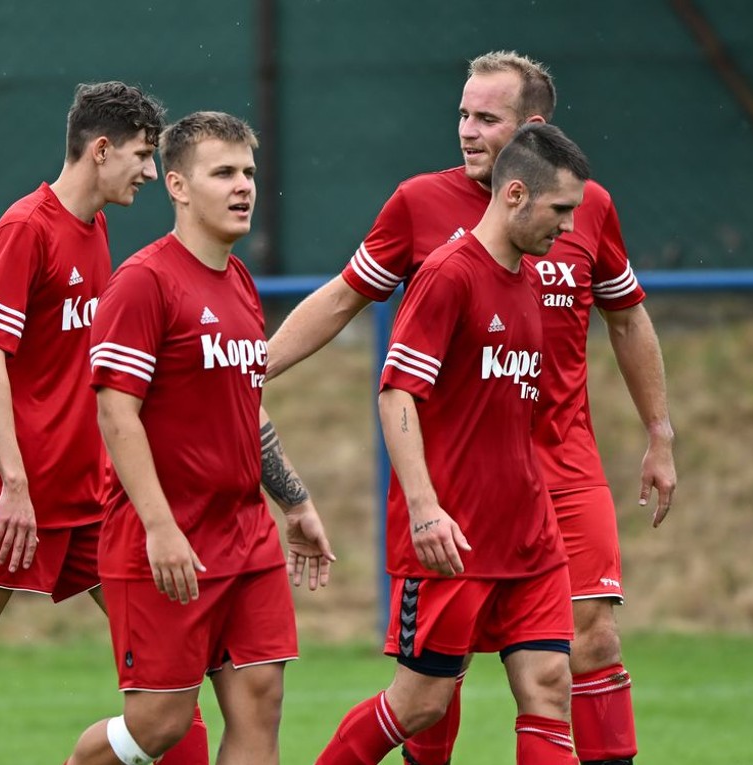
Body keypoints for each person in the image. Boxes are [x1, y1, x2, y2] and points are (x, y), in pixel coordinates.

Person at [269, 51, 676, 765]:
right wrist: (254, 369)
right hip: (455, 479)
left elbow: (628, 316)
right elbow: (346, 303)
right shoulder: (431, 223)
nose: (465, 130)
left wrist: (659, 431)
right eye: (462, 113)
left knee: (579, 651)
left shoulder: (579, 206)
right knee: (431, 693)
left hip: (557, 471)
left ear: (532, 129)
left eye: (485, 117)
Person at [0, 82, 217, 765]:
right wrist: (12, 480)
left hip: (91, 501)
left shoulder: (95, 230)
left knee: (171, 672)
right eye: (141, 155)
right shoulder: (27, 227)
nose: (151, 173)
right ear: (99, 150)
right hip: (19, 499)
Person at [314, 122, 594, 765]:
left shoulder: (528, 280)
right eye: (561, 210)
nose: (571, 228)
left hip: (529, 535)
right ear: (516, 194)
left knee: (551, 688)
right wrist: (423, 507)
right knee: (422, 705)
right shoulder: (448, 275)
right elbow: (397, 394)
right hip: (453, 538)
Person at [64, 111, 335, 765]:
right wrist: (159, 526)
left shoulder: (240, 281)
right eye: (223, 173)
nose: (243, 186)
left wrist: (294, 501)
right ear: (179, 186)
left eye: (248, 172)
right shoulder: (144, 282)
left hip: (246, 536)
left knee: (261, 701)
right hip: (166, 538)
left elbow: (246, 409)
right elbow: (116, 414)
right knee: (159, 724)